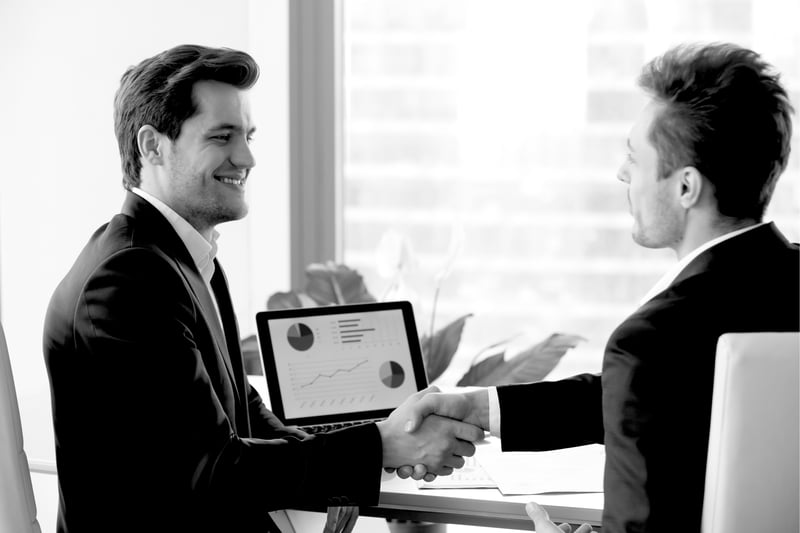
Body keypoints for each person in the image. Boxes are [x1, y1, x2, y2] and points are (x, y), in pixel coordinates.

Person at [42, 44, 483, 533]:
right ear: (152, 146)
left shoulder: (179, 255)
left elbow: (243, 415)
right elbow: (212, 471)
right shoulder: (127, 279)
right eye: (222, 136)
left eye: (248, 135)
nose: (247, 156)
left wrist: (381, 445)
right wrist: (383, 445)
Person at [402, 42, 799, 533]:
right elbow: (656, 391)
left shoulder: (653, 339)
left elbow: (651, 380)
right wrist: (480, 407)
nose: (621, 173)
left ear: (685, 187)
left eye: (635, 157)